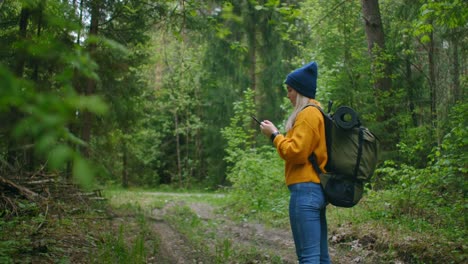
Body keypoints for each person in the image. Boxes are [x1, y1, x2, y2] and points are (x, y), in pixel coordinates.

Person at [259, 61, 330, 263]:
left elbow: (296, 152)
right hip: (316, 189)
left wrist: (274, 135)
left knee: (308, 257)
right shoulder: (317, 113)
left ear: (299, 91)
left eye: (290, 90)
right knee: (321, 258)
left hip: (305, 191)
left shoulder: (308, 114)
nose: (288, 95)